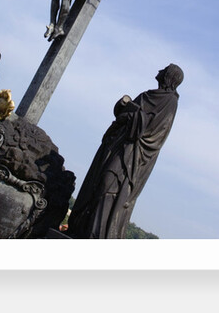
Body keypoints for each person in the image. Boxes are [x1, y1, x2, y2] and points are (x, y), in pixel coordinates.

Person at [67, 64, 184, 239]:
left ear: (169, 76)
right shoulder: (150, 94)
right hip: (118, 145)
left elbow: (153, 133)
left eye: (163, 70)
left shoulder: (170, 102)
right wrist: (124, 106)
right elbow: (123, 114)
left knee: (108, 185)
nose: (158, 71)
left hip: (132, 154)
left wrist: (132, 115)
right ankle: (82, 230)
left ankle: (97, 236)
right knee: (98, 183)